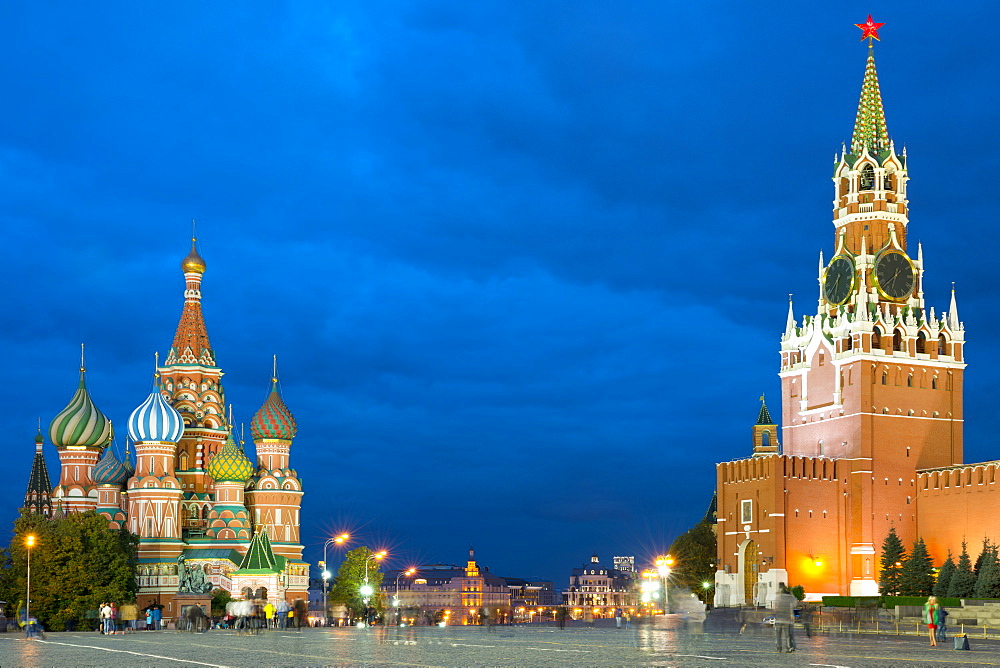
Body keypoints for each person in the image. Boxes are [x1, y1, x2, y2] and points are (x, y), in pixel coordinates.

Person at [773, 584, 797, 653]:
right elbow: (795, 603)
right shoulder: (789, 597)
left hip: (778, 619)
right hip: (787, 619)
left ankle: (779, 647)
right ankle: (788, 647)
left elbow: (775, 608)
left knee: (778, 635)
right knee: (787, 635)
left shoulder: (778, 597)